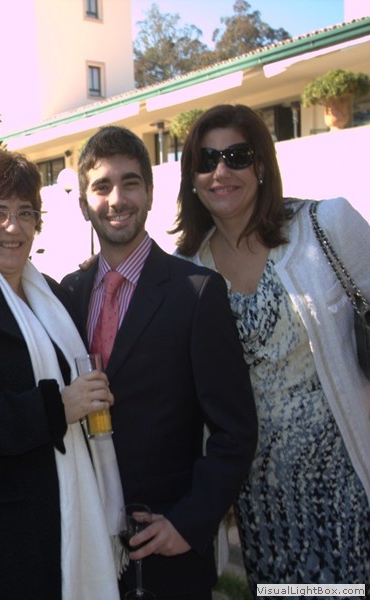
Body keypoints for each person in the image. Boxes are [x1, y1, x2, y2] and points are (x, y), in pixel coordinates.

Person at [173, 104, 370, 591]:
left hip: (348, 478)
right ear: (192, 178)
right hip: (262, 499)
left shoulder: (325, 224)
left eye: (237, 156)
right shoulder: (187, 271)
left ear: (261, 165)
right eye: (206, 160)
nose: (221, 172)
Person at [61, 126, 258, 600]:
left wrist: (189, 523)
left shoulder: (197, 292)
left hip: (167, 548)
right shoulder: (68, 294)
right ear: (84, 203)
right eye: (102, 186)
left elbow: (236, 431)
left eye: (130, 183)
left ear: (149, 194)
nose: (117, 199)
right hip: (86, 543)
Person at [0, 149, 123, 600]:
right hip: (7, 533)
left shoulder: (52, 295)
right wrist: (58, 407)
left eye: (26, 213)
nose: (14, 227)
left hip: (73, 506)